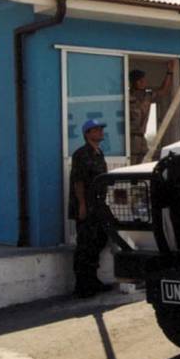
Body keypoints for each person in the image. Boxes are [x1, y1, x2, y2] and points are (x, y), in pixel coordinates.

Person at [69, 119, 112, 298]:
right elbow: (78, 181)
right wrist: (82, 205)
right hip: (86, 206)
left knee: (98, 242)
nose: (101, 132)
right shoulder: (81, 154)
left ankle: (92, 281)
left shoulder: (99, 153)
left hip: (98, 206)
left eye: (101, 129)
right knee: (85, 245)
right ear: (87, 134)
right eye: (96, 130)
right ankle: (82, 286)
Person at [129, 61, 176, 164]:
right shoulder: (127, 96)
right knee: (130, 164)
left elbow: (164, 90)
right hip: (129, 138)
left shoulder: (147, 95)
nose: (143, 82)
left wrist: (170, 72)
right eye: (140, 80)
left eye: (143, 80)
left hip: (141, 137)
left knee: (146, 163)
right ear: (135, 82)